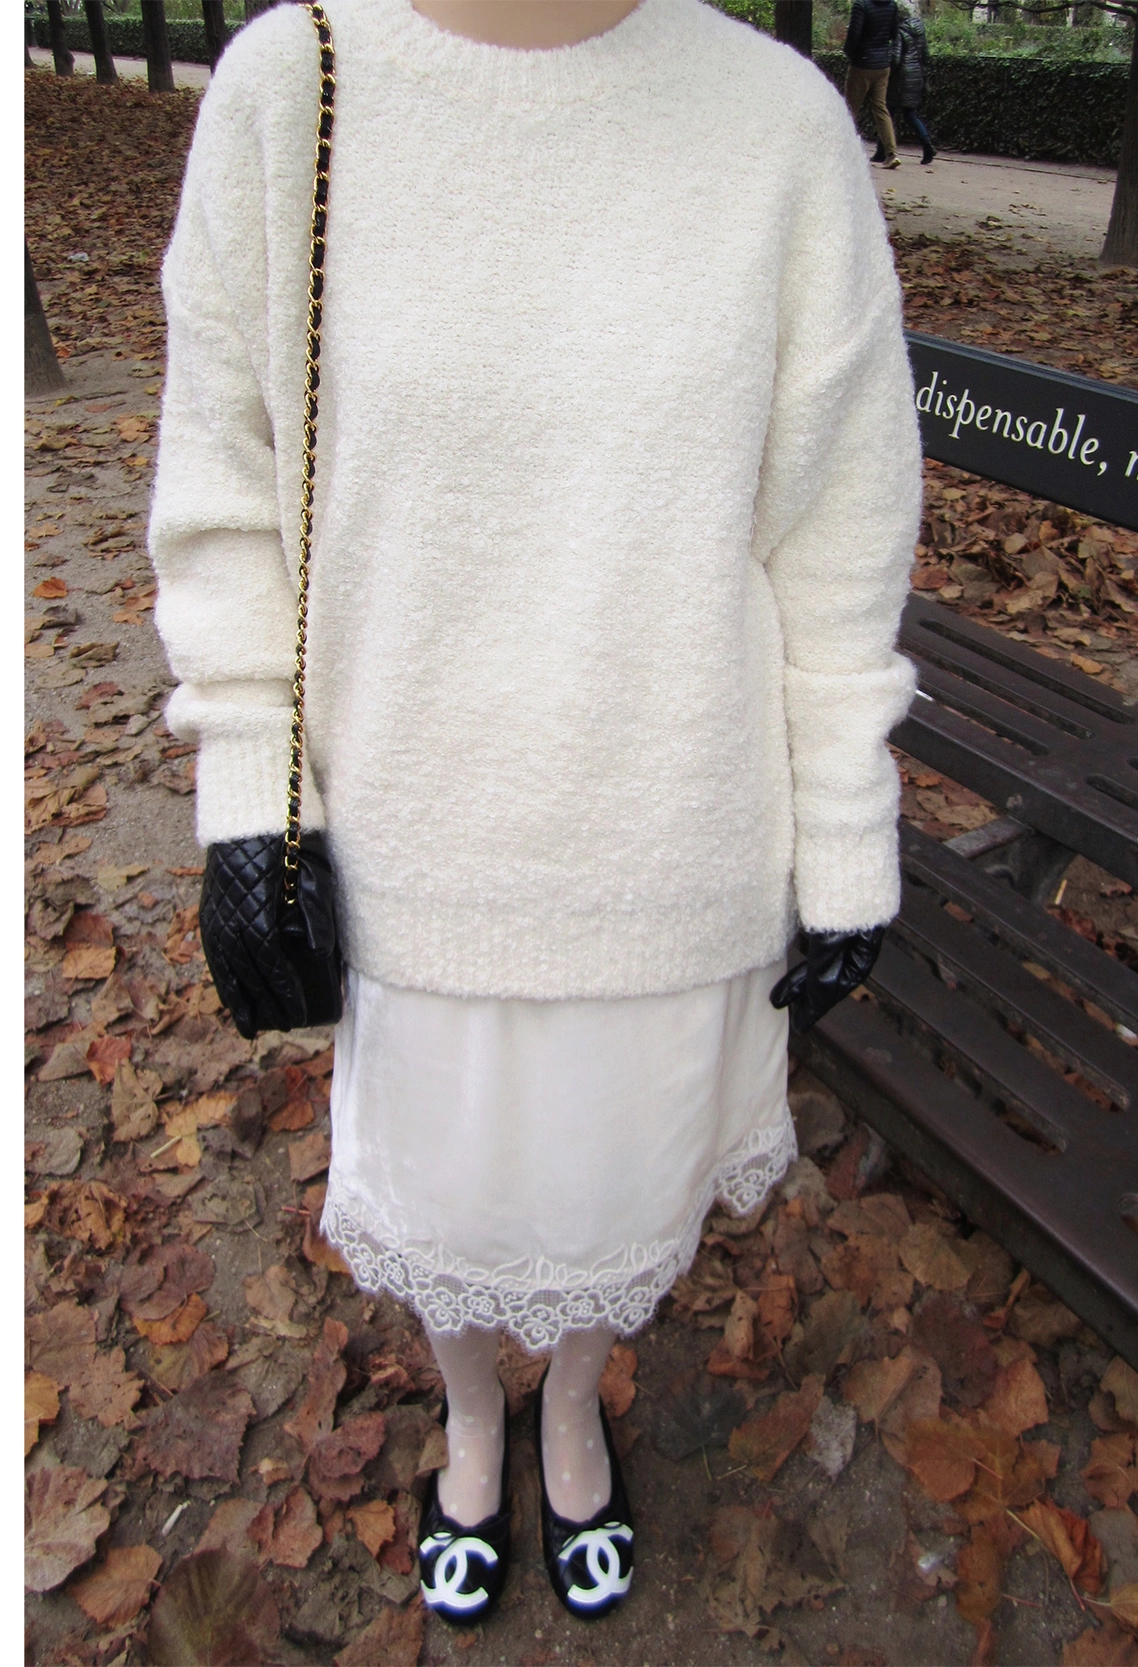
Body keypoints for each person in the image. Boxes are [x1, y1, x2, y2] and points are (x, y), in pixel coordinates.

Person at [149, 0, 921, 1630]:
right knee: (443, 1195)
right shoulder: (298, 87)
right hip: (409, 835)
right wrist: (250, 783)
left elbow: (838, 523)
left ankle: (570, 1406)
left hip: (673, 832)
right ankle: (472, 1414)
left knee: (614, 1189)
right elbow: (226, 481)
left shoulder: (777, 125)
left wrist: (846, 824)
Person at [874, 2, 935, 166]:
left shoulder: (899, 31)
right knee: (909, 113)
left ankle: (882, 151)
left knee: (887, 112)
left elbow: (896, 58)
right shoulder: (920, 29)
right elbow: (926, 55)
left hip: (900, 78)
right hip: (916, 74)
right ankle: (927, 145)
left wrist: (887, 70)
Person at [843, 0, 900, 168]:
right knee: (880, 108)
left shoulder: (861, 5)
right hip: (882, 65)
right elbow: (893, 33)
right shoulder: (891, 4)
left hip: (862, 64)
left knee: (849, 110)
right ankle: (891, 153)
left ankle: (843, 150)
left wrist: (851, 54)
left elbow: (854, 34)